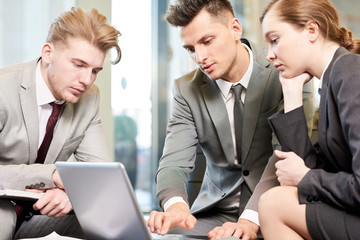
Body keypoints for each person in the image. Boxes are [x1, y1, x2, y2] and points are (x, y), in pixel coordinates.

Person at [147, 0, 314, 239]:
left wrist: (250, 219)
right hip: (214, 214)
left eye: (207, 41)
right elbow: (173, 162)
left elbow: (286, 153)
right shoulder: (186, 90)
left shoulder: (285, 69)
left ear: (235, 28)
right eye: (191, 49)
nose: (200, 57)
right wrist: (176, 205)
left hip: (275, 208)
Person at [0, 7, 121, 239]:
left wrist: (72, 195)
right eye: (78, 64)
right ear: (48, 53)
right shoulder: (3, 89)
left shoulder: (89, 97)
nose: (86, 80)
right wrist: (54, 175)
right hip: (2, 213)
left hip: (40, 216)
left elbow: (101, 178)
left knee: (112, 225)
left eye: (95, 70)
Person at [258, 0, 360, 239]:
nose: (270, 55)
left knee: (274, 203)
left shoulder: (348, 70)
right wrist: (292, 94)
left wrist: (305, 177)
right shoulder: (332, 78)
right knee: (277, 200)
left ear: (312, 30)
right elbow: (302, 171)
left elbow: (304, 176)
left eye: (275, 40)